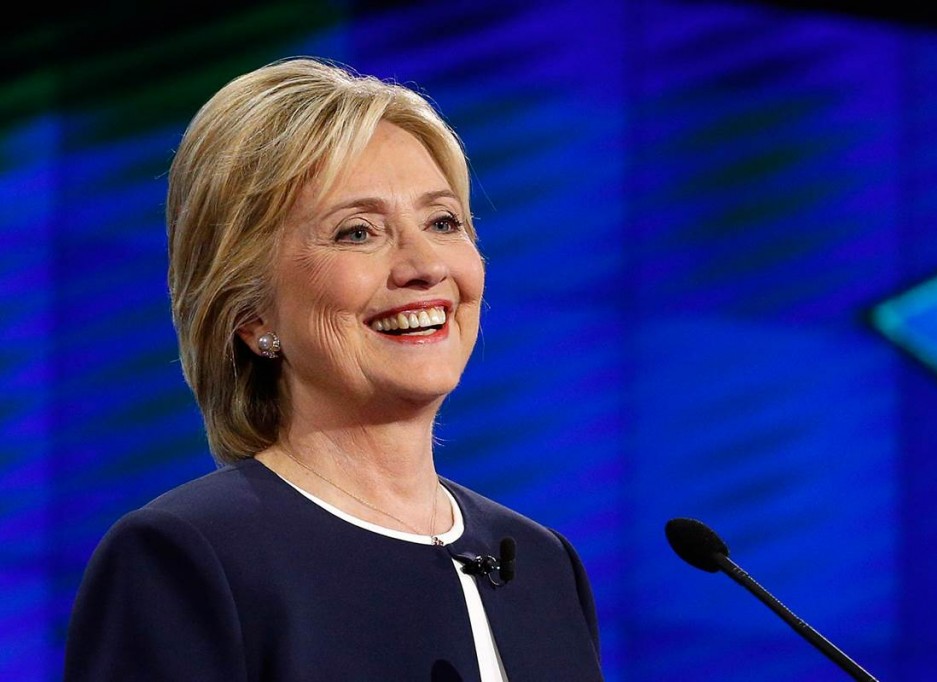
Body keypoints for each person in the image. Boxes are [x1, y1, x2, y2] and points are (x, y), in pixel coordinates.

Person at [63, 56, 603, 681]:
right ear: (251, 313)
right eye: (357, 232)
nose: (424, 265)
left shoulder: (543, 565)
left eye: (443, 222)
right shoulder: (187, 558)